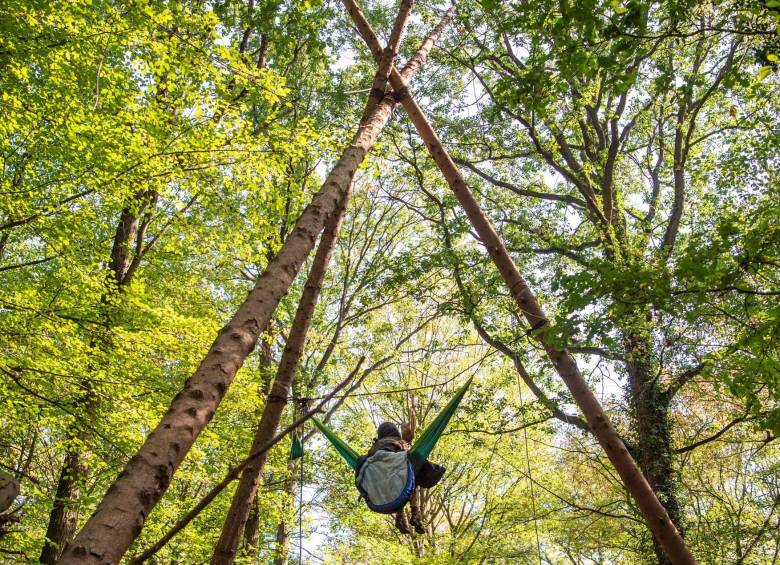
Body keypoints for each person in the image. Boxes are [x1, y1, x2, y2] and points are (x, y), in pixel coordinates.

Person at [357, 421, 445, 534]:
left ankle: (400, 515)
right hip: (398, 480)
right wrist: (407, 442)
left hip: (382, 488)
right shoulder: (398, 442)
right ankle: (415, 513)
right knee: (411, 475)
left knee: (400, 481)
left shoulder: (373, 449)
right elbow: (406, 459)